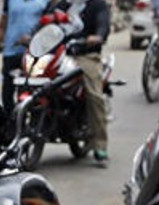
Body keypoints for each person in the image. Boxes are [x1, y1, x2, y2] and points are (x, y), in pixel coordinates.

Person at [65, 0, 112, 166]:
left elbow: (103, 24)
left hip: (86, 56)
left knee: (94, 95)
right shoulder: (64, 3)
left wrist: (99, 35)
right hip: (61, 55)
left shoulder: (97, 4)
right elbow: (47, 21)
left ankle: (100, 145)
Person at [0, 0, 46, 113]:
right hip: (11, 52)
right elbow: (2, 26)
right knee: (7, 93)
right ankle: (11, 122)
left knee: (33, 92)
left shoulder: (45, 2)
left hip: (35, 55)